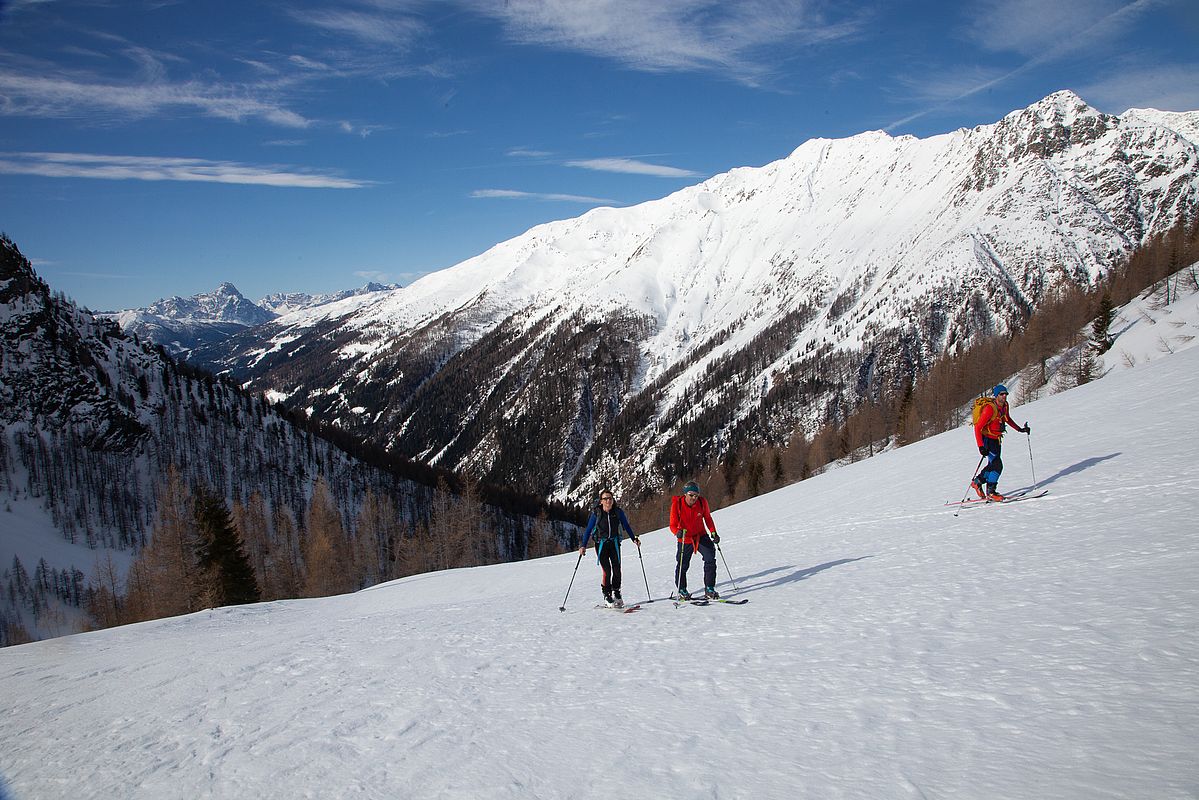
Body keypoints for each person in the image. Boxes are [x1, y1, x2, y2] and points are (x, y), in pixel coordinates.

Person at [578, 490, 639, 607]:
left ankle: (616, 592)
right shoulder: (597, 514)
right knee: (607, 570)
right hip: (601, 545)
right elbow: (588, 531)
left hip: (614, 544)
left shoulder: (618, 512)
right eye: (605, 499)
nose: (608, 501)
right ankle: (607, 594)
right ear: (601, 501)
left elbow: (626, 525)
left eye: (610, 498)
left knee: (617, 569)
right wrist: (583, 546)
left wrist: (634, 539)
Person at [972, 384, 1030, 501]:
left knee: (993, 464)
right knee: (998, 465)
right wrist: (981, 446)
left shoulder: (1005, 406)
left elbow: (1007, 418)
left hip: (996, 439)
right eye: (1001, 394)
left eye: (1005, 394)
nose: (1004, 396)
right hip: (987, 439)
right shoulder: (990, 409)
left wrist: (1019, 429)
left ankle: (977, 482)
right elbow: (977, 427)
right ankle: (991, 492)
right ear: (996, 395)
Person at [669, 481, 721, 600]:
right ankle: (681, 589)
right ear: (685, 494)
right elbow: (672, 524)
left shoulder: (702, 502)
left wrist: (713, 532)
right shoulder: (677, 504)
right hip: (685, 538)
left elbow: (707, 517)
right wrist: (677, 532)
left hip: (700, 535)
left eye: (696, 495)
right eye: (691, 495)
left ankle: (709, 588)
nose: (694, 498)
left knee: (710, 558)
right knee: (682, 564)